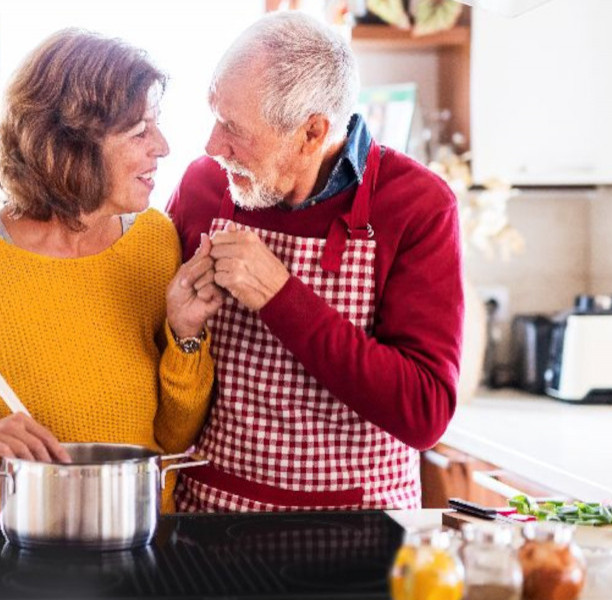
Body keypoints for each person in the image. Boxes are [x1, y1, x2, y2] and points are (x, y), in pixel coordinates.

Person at [0, 28, 223, 517]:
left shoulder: (155, 239)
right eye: (139, 131)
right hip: (0, 546)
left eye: (156, 124)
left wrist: (185, 336)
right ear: (70, 148)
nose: (164, 146)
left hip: (130, 537)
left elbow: (171, 437)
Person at [167, 12, 463, 512]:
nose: (212, 146)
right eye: (215, 116)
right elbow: (153, 353)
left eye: (233, 128)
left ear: (312, 133)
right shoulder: (204, 186)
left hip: (359, 533)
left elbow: (425, 411)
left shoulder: (417, 205)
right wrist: (179, 330)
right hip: (212, 523)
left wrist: (282, 298)